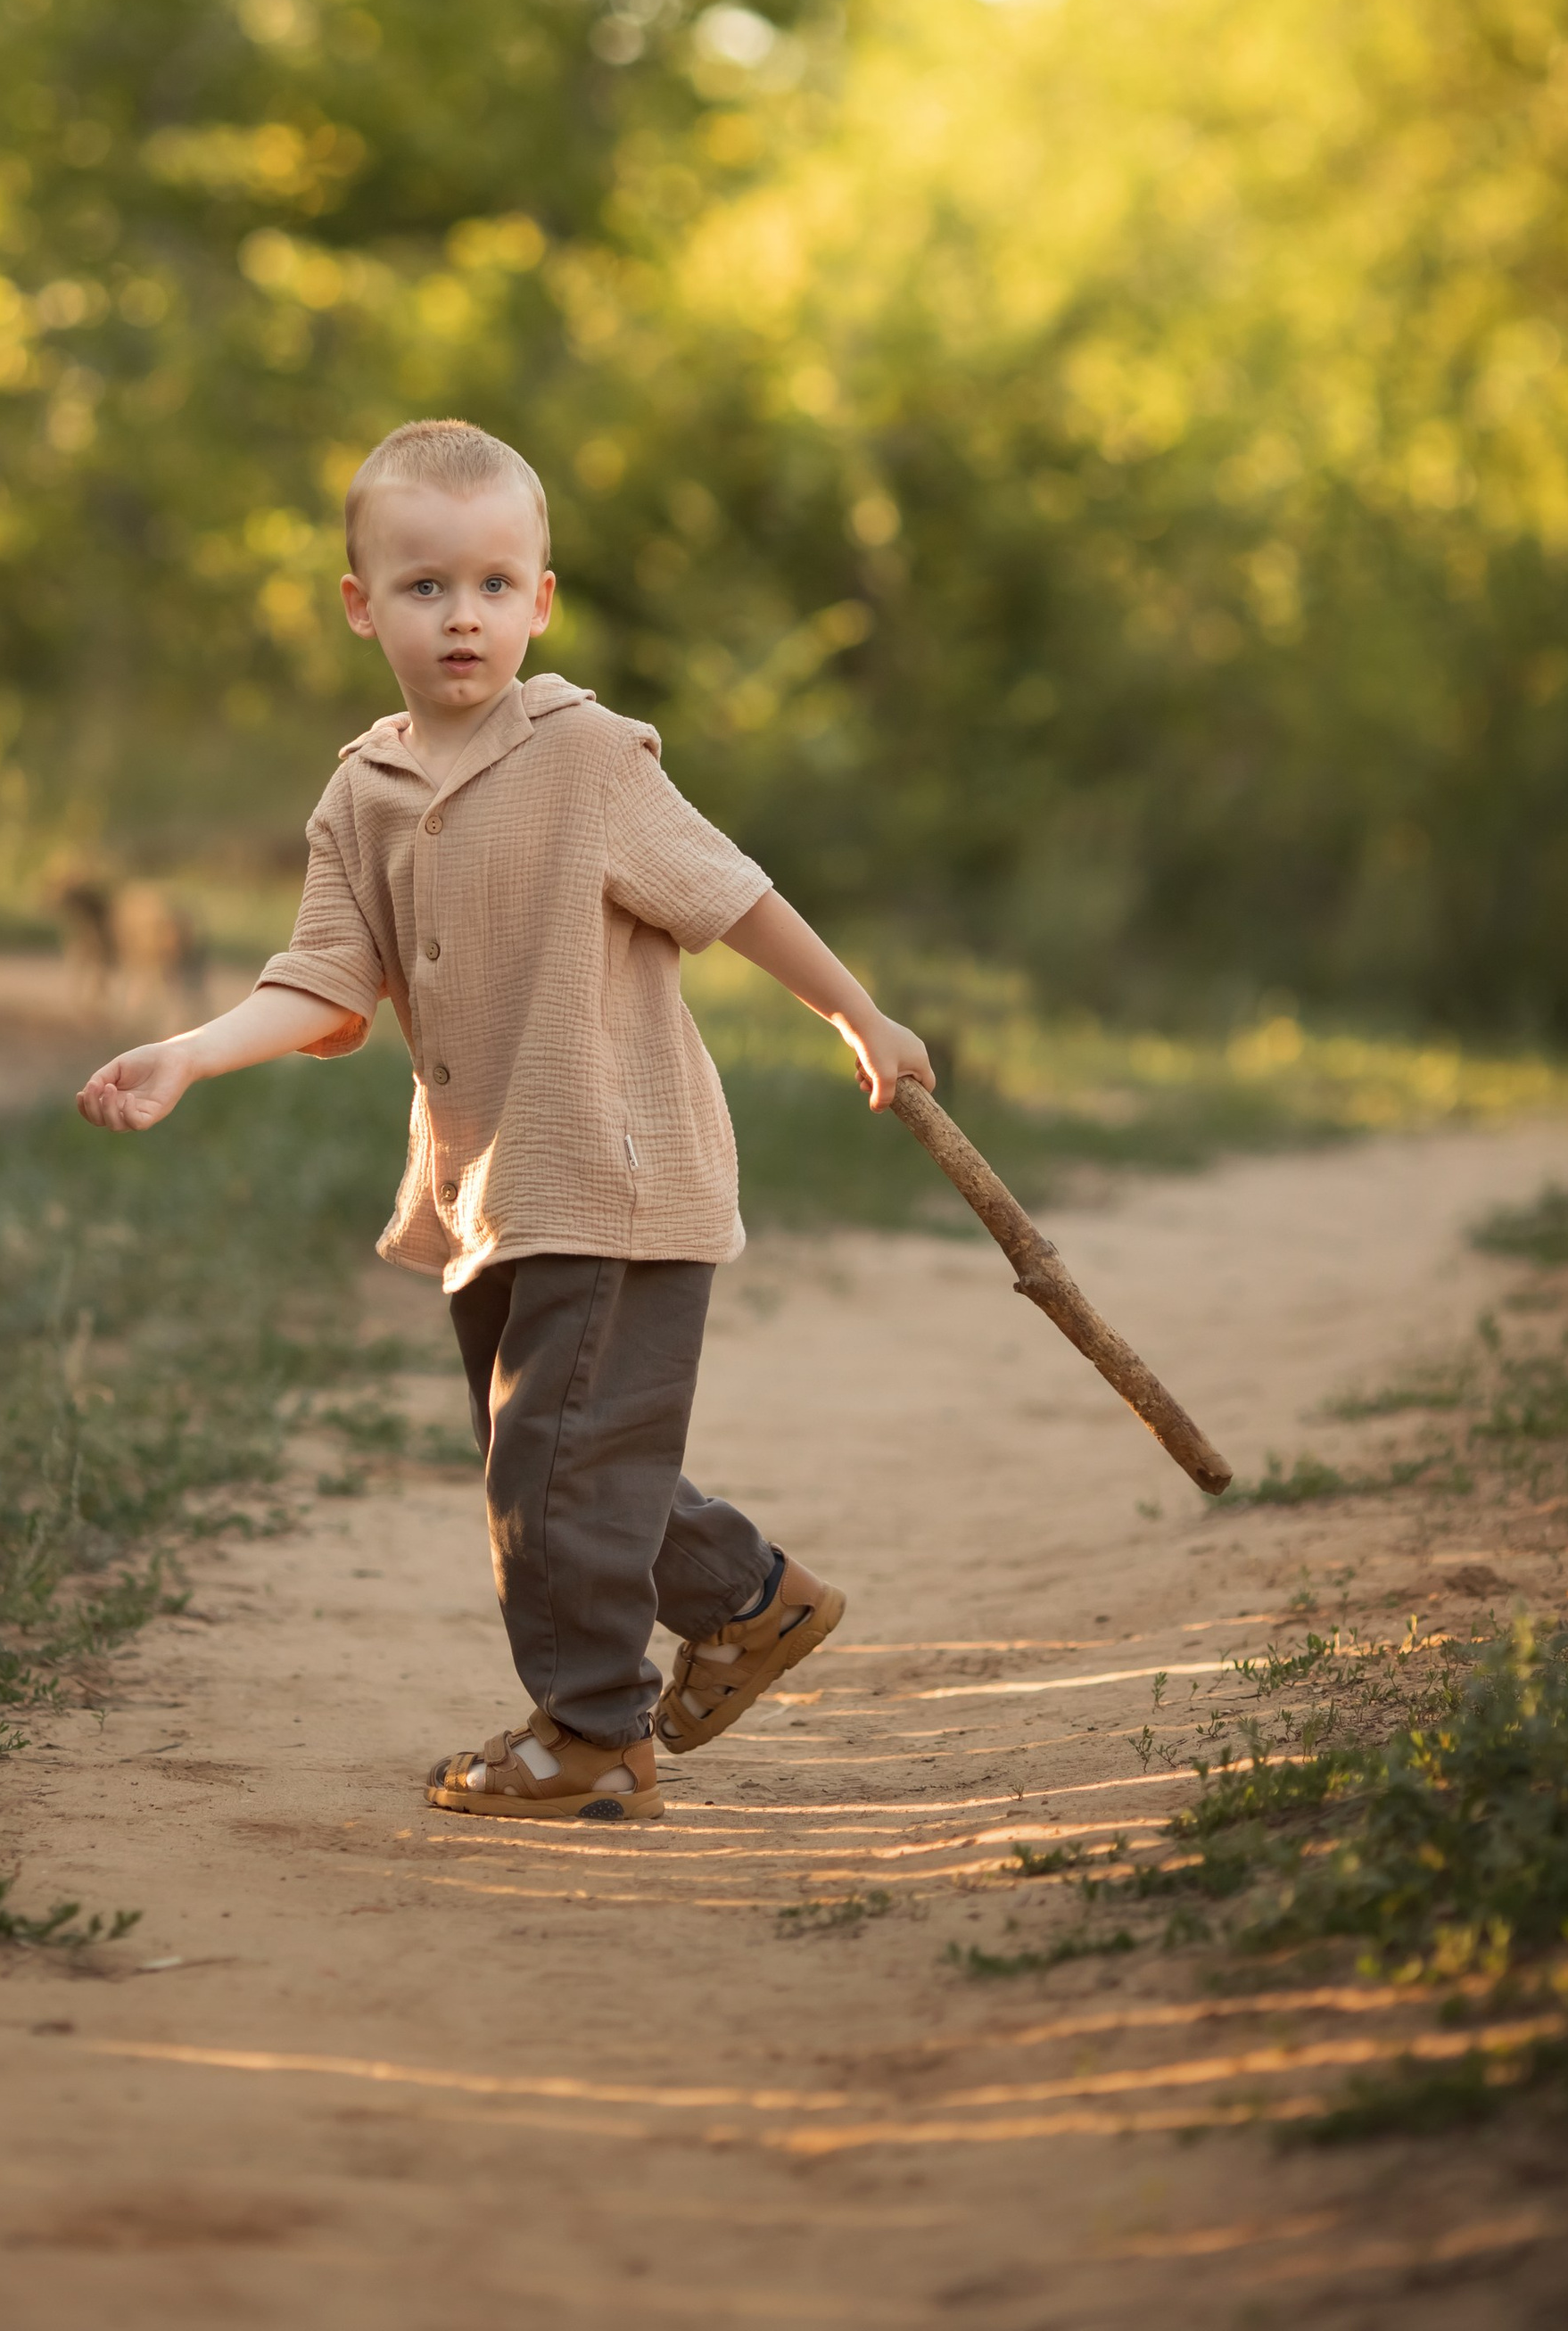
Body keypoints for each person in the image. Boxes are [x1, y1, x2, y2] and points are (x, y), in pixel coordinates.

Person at [78, 418, 933, 1824]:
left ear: (541, 599)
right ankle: (751, 1601)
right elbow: (324, 978)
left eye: (491, 585)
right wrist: (188, 1052)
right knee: (561, 1453)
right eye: (423, 587)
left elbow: (732, 892)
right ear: (363, 606)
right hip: (487, 1185)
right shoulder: (364, 792)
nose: (459, 614)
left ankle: (594, 1734)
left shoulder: (587, 757)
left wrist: (856, 1013)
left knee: (554, 1466)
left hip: (611, 1166)